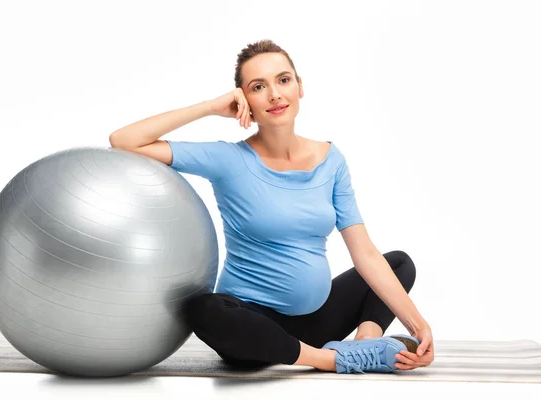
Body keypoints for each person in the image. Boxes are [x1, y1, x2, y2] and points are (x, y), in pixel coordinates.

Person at [109, 39, 435, 374]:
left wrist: (417, 325)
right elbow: (124, 141)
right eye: (258, 87)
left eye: (283, 80)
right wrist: (210, 107)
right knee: (203, 309)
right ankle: (334, 360)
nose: (275, 95)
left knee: (397, 263)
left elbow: (364, 252)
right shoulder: (227, 159)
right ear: (243, 99)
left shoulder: (331, 161)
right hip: (252, 329)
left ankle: (364, 345)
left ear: (299, 87)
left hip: (318, 323)